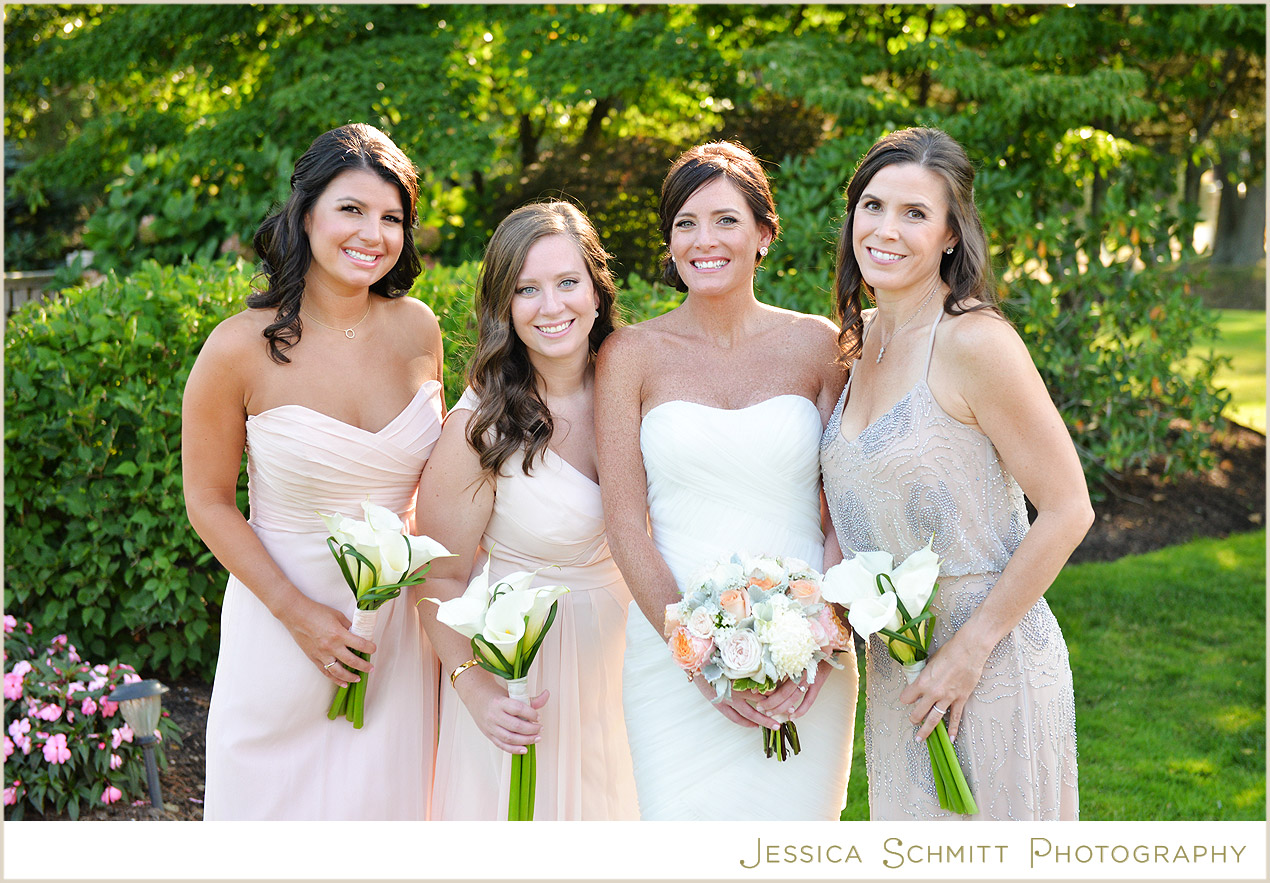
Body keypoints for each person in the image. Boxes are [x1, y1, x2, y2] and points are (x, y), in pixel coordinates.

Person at [820, 127, 1092, 820]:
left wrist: (970, 651)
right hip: (899, 675)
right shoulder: (859, 341)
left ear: (949, 234)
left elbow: (1069, 507)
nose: (885, 229)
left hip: (991, 664)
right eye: (873, 206)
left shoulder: (974, 341)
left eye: (914, 213)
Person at [183, 123, 445, 820]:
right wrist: (297, 615)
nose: (373, 234)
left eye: (392, 217)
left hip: (394, 639)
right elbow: (207, 501)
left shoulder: (419, 329)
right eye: (351, 209)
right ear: (306, 215)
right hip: (280, 624)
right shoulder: (237, 348)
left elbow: (438, 489)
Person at [595, 141, 857, 820]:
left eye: (725, 220)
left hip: (809, 657)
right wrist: (695, 655)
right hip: (669, 655)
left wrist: (824, 637)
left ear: (764, 233)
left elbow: (844, 513)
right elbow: (624, 525)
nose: (703, 240)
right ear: (669, 241)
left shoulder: (819, 345)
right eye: (685, 223)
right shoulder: (630, 355)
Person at [418, 201, 638, 820]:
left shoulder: (638, 389)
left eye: (568, 282)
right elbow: (438, 576)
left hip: (632, 664)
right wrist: (476, 690)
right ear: (504, 306)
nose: (551, 306)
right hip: (522, 678)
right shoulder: (480, 427)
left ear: (596, 289)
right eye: (527, 289)